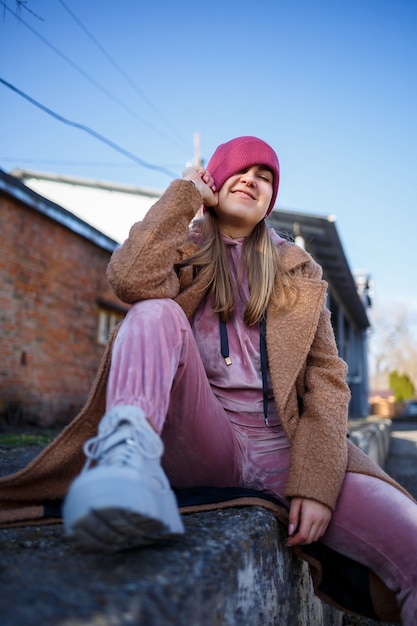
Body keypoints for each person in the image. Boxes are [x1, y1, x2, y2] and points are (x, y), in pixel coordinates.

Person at [1, 136, 416, 622]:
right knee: (154, 313)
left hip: (281, 447)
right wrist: (184, 195)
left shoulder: (300, 272)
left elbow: (328, 381)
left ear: (269, 202)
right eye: (241, 170)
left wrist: (317, 481)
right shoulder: (182, 246)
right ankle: (125, 470)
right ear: (214, 181)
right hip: (199, 436)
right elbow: (130, 280)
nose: (253, 180)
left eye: (265, 178)